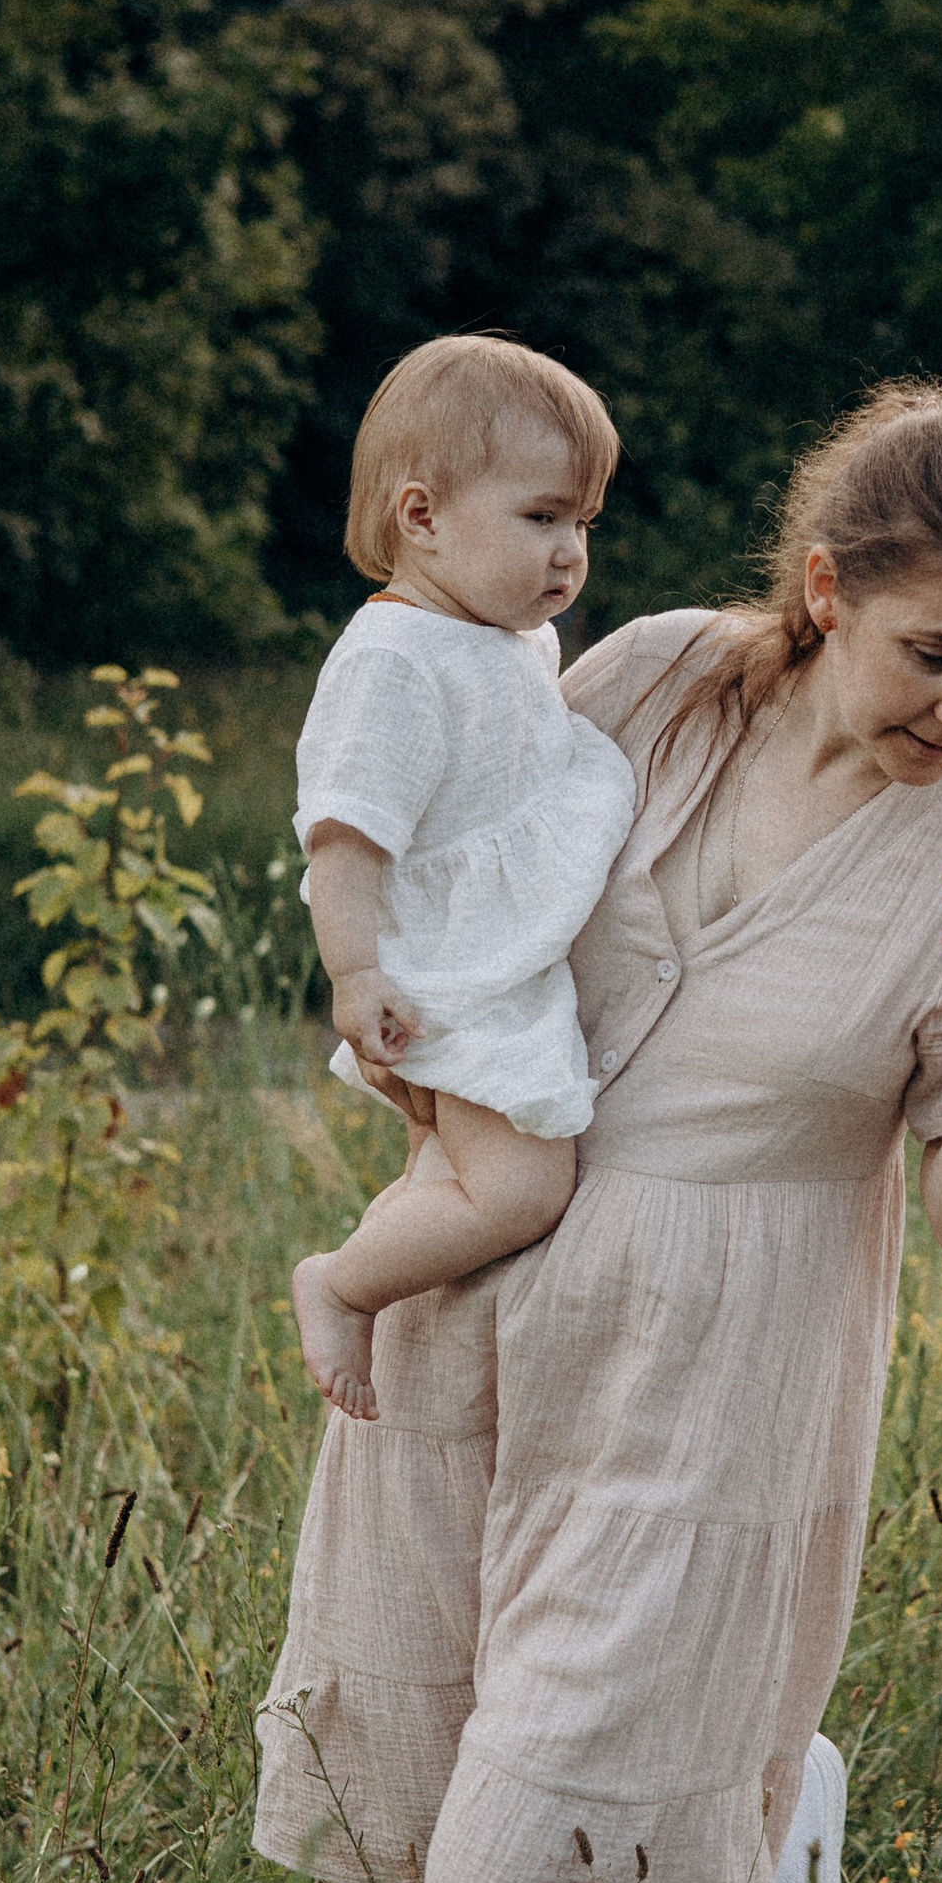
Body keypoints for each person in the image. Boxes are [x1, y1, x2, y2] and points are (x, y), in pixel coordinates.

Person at [253, 384, 942, 1883]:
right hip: (474, 1299)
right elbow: (447, 867)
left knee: (515, 1842)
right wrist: (405, 1099)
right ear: (825, 591)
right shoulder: (640, 682)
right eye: (936, 651)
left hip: (717, 1373)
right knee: (410, 1779)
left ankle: (766, 1845)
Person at [286, 337, 637, 1422]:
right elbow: (344, 841)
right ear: (422, 516)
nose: (569, 552)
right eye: (540, 518)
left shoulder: (504, 640)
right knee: (524, 1188)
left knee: (453, 1184)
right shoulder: (394, 659)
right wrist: (356, 978)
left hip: (502, 963)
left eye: (582, 523)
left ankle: (404, 1306)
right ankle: (340, 1282)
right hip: (449, 976)